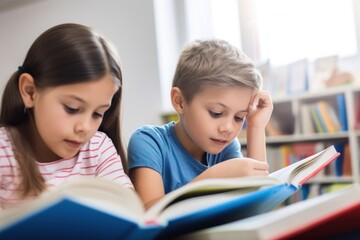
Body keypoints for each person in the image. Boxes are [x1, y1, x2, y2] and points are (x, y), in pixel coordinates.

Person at [0, 23, 133, 209]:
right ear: (30, 92)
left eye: (97, 113)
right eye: (72, 108)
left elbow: (127, 208)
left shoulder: (98, 149)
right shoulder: (4, 152)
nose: (85, 127)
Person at [128, 39, 273, 209]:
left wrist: (256, 126)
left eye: (239, 117)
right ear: (180, 101)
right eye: (216, 113)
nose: (228, 128)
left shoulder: (226, 147)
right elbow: (148, 212)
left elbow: (255, 200)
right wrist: (211, 179)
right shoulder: (149, 142)